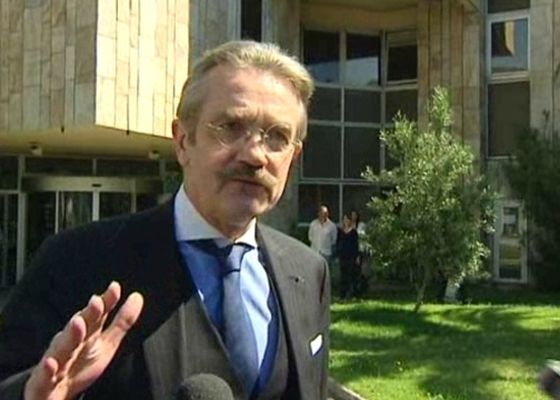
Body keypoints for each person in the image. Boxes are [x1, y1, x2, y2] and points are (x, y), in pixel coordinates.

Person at [0, 41, 330, 400]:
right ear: (183, 141)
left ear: (293, 159)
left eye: (277, 137)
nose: (254, 155)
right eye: (231, 126)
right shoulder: (75, 261)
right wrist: (32, 394)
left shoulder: (308, 271)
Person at [336, 213, 359, 299]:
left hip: (351, 256)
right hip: (343, 256)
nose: (345, 221)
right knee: (343, 276)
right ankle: (342, 294)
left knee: (351, 275)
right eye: (344, 220)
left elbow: (356, 245)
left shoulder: (353, 232)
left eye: (347, 220)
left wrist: (356, 256)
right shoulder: (340, 231)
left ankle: (352, 294)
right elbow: (337, 243)